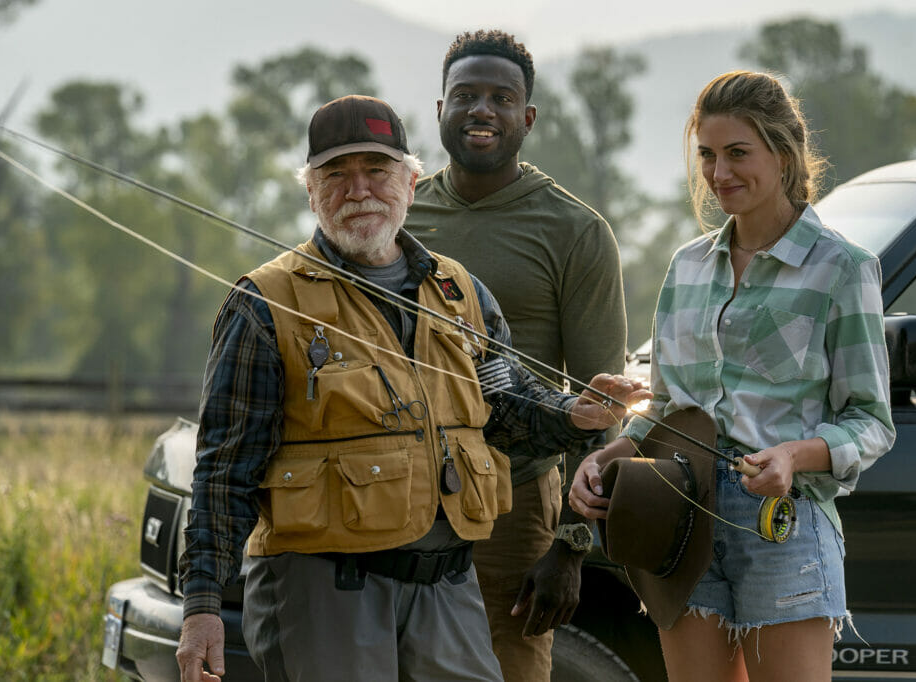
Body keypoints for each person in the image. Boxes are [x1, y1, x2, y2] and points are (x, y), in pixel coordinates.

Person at [174, 94, 649, 682]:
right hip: (322, 592)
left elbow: (503, 403)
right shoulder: (265, 304)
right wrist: (201, 610)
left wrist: (573, 413)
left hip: (447, 587)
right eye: (336, 176)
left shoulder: (460, 291)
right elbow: (223, 470)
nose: (359, 191)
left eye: (377, 171)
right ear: (310, 192)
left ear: (411, 180)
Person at [569, 70, 896, 681]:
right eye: (708, 156)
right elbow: (666, 411)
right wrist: (607, 454)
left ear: (784, 154)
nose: (720, 174)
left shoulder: (843, 269)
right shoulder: (687, 268)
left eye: (738, 153)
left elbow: (872, 424)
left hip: (785, 527)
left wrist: (794, 457)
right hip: (678, 518)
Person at [403, 29, 628, 682]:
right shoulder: (397, 214)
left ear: (527, 118)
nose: (481, 110)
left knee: (509, 669)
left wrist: (571, 547)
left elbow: (600, 403)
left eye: (501, 98)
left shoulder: (574, 230)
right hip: (395, 495)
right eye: (465, 95)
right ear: (439, 109)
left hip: (514, 498)